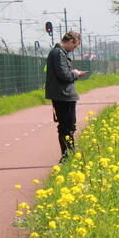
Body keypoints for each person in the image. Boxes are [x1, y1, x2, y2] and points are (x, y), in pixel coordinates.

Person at [45, 31, 86, 159]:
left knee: (68, 126)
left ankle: (69, 154)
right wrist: (75, 74)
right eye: (74, 46)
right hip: (63, 95)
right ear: (70, 41)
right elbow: (64, 75)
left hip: (63, 95)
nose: (74, 49)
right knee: (66, 127)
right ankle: (67, 155)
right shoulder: (58, 53)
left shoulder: (59, 53)